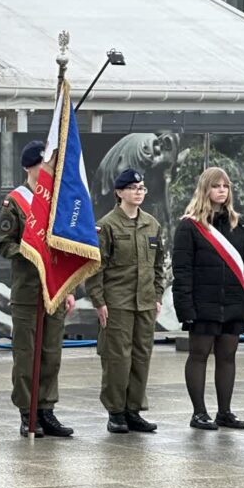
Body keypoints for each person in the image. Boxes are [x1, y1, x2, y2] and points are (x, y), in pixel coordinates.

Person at [0, 141, 76, 438]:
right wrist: (29, 251)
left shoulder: (58, 201)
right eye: (41, 165)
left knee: (51, 354)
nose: (46, 170)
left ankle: (46, 409)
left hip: (54, 289)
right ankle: (27, 412)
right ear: (28, 167)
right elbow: (4, 244)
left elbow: (66, 247)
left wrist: (69, 288)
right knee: (26, 355)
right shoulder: (15, 201)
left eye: (49, 165)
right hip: (27, 290)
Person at [172, 166, 244, 431]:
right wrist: (185, 308)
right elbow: (182, 271)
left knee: (228, 357)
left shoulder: (239, 226)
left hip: (233, 304)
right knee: (199, 355)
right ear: (205, 189)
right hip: (203, 304)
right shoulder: (190, 226)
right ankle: (199, 413)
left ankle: (224, 413)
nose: (222, 191)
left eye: (225, 186)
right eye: (216, 186)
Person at [86, 169, 164, 434]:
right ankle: (116, 412)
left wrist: (157, 295)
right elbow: (95, 267)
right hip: (117, 303)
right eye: (132, 188)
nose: (138, 192)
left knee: (141, 357)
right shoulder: (106, 225)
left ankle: (133, 410)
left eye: (141, 188)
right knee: (117, 359)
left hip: (145, 302)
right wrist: (99, 301)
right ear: (119, 192)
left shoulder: (152, 224)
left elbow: (159, 264)